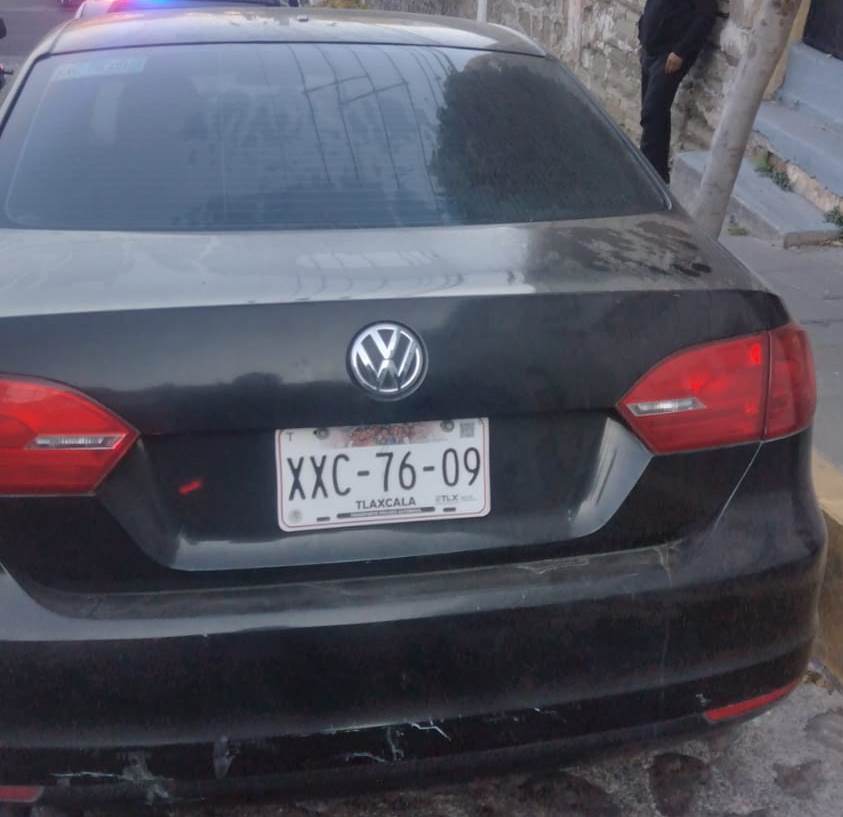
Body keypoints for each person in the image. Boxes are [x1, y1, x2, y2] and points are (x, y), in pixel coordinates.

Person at [638, 0, 717, 183]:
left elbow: (706, 16)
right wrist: (642, 33)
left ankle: (648, 174)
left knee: (653, 112)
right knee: (652, 114)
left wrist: (681, 51)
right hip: (650, 50)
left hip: (669, 56)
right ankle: (656, 172)